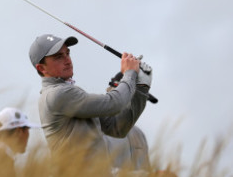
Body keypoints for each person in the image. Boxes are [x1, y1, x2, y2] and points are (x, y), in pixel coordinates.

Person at [29, 34, 153, 168]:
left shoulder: (68, 92)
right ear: (41, 68)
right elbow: (114, 103)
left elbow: (118, 128)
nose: (67, 60)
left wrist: (141, 88)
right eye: (58, 57)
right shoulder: (57, 94)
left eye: (67, 53)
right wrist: (130, 73)